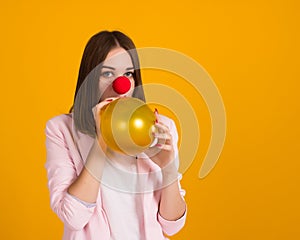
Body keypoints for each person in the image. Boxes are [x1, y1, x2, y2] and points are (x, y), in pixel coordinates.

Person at [45, 30, 187, 240]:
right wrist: (102, 141)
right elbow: (74, 218)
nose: (121, 86)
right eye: (107, 73)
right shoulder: (62, 130)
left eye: (128, 74)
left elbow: (173, 226)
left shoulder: (161, 128)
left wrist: (168, 168)